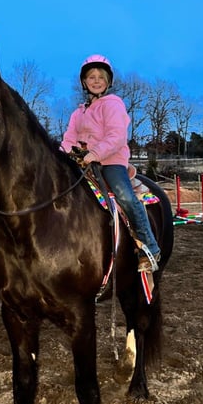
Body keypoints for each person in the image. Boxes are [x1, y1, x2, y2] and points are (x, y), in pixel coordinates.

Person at [61, 54, 161, 272]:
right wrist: (58, 155)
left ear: (108, 82)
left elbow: (116, 136)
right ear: (84, 82)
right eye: (91, 77)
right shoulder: (78, 112)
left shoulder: (113, 104)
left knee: (124, 195)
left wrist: (95, 153)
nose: (96, 81)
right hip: (83, 162)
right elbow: (68, 139)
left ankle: (149, 247)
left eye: (100, 77)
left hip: (110, 162)